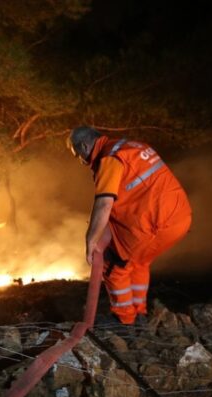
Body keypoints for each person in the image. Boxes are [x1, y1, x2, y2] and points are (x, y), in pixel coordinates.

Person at [67, 126, 192, 325]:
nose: (80, 161)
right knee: (138, 261)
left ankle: (124, 320)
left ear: (83, 146)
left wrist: (90, 240)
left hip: (156, 223)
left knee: (113, 265)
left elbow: (104, 203)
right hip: (180, 217)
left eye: (77, 155)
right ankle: (139, 314)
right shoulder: (131, 146)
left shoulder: (109, 159)